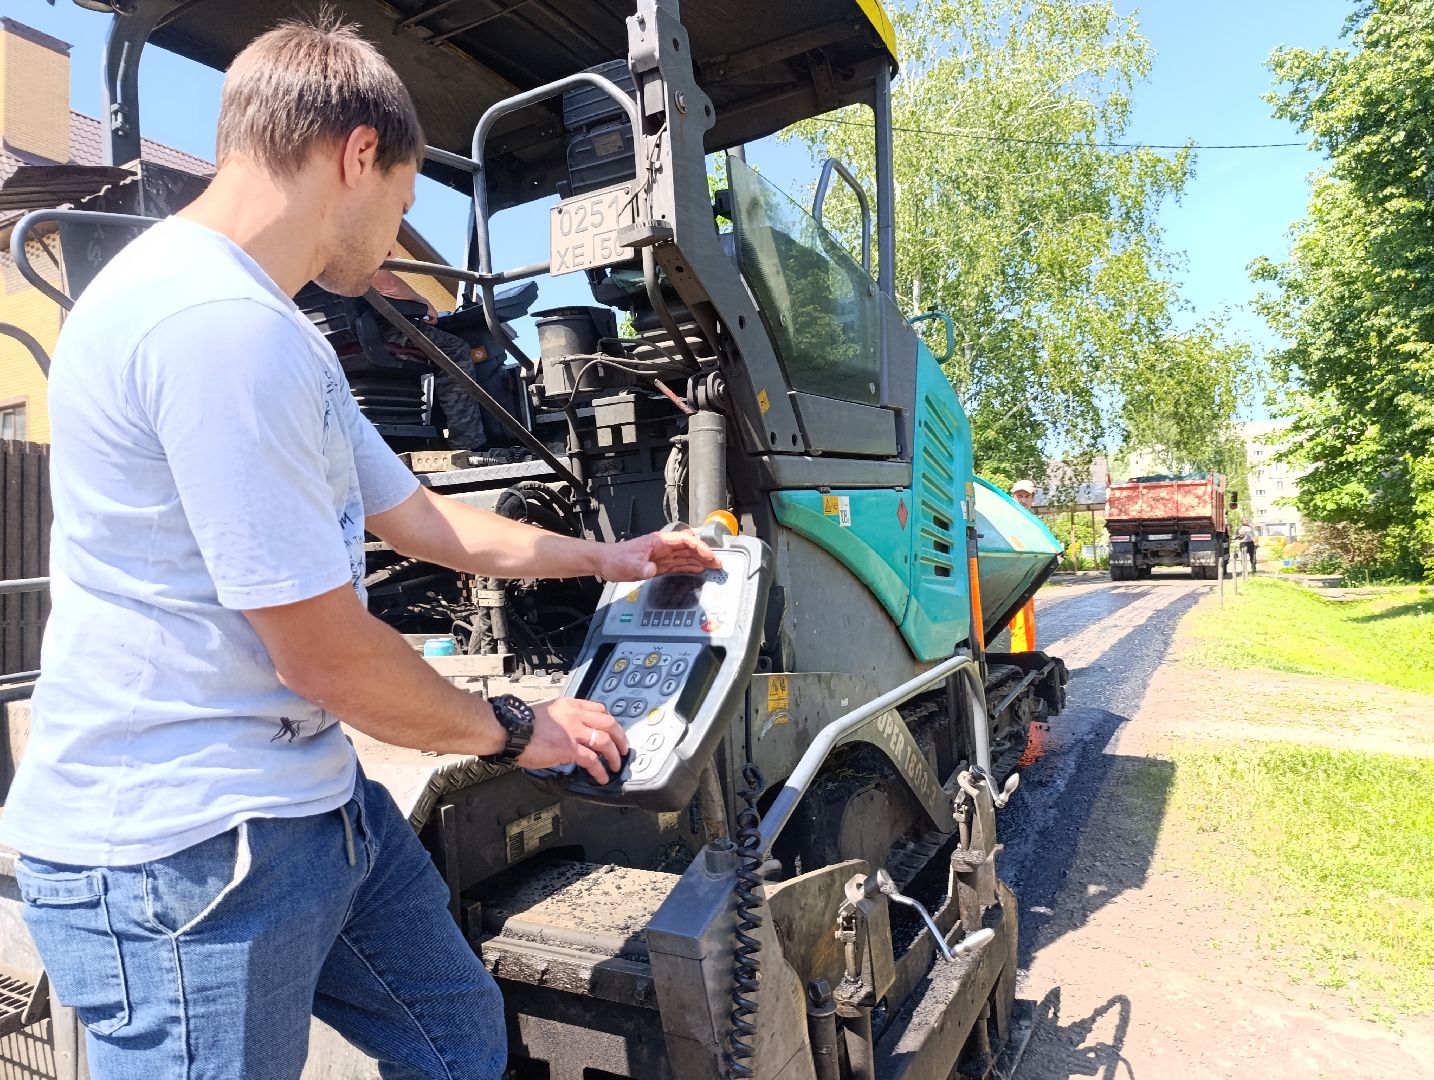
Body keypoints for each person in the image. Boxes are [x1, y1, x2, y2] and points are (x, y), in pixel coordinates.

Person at [0, 18, 716, 1079]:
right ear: (353, 156)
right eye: (403, 200)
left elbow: (424, 521)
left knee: (457, 1038)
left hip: (311, 806)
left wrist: (613, 560)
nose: (398, 233)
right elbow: (326, 657)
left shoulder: (278, 326)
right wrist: (520, 728)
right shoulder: (210, 324)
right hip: (191, 858)